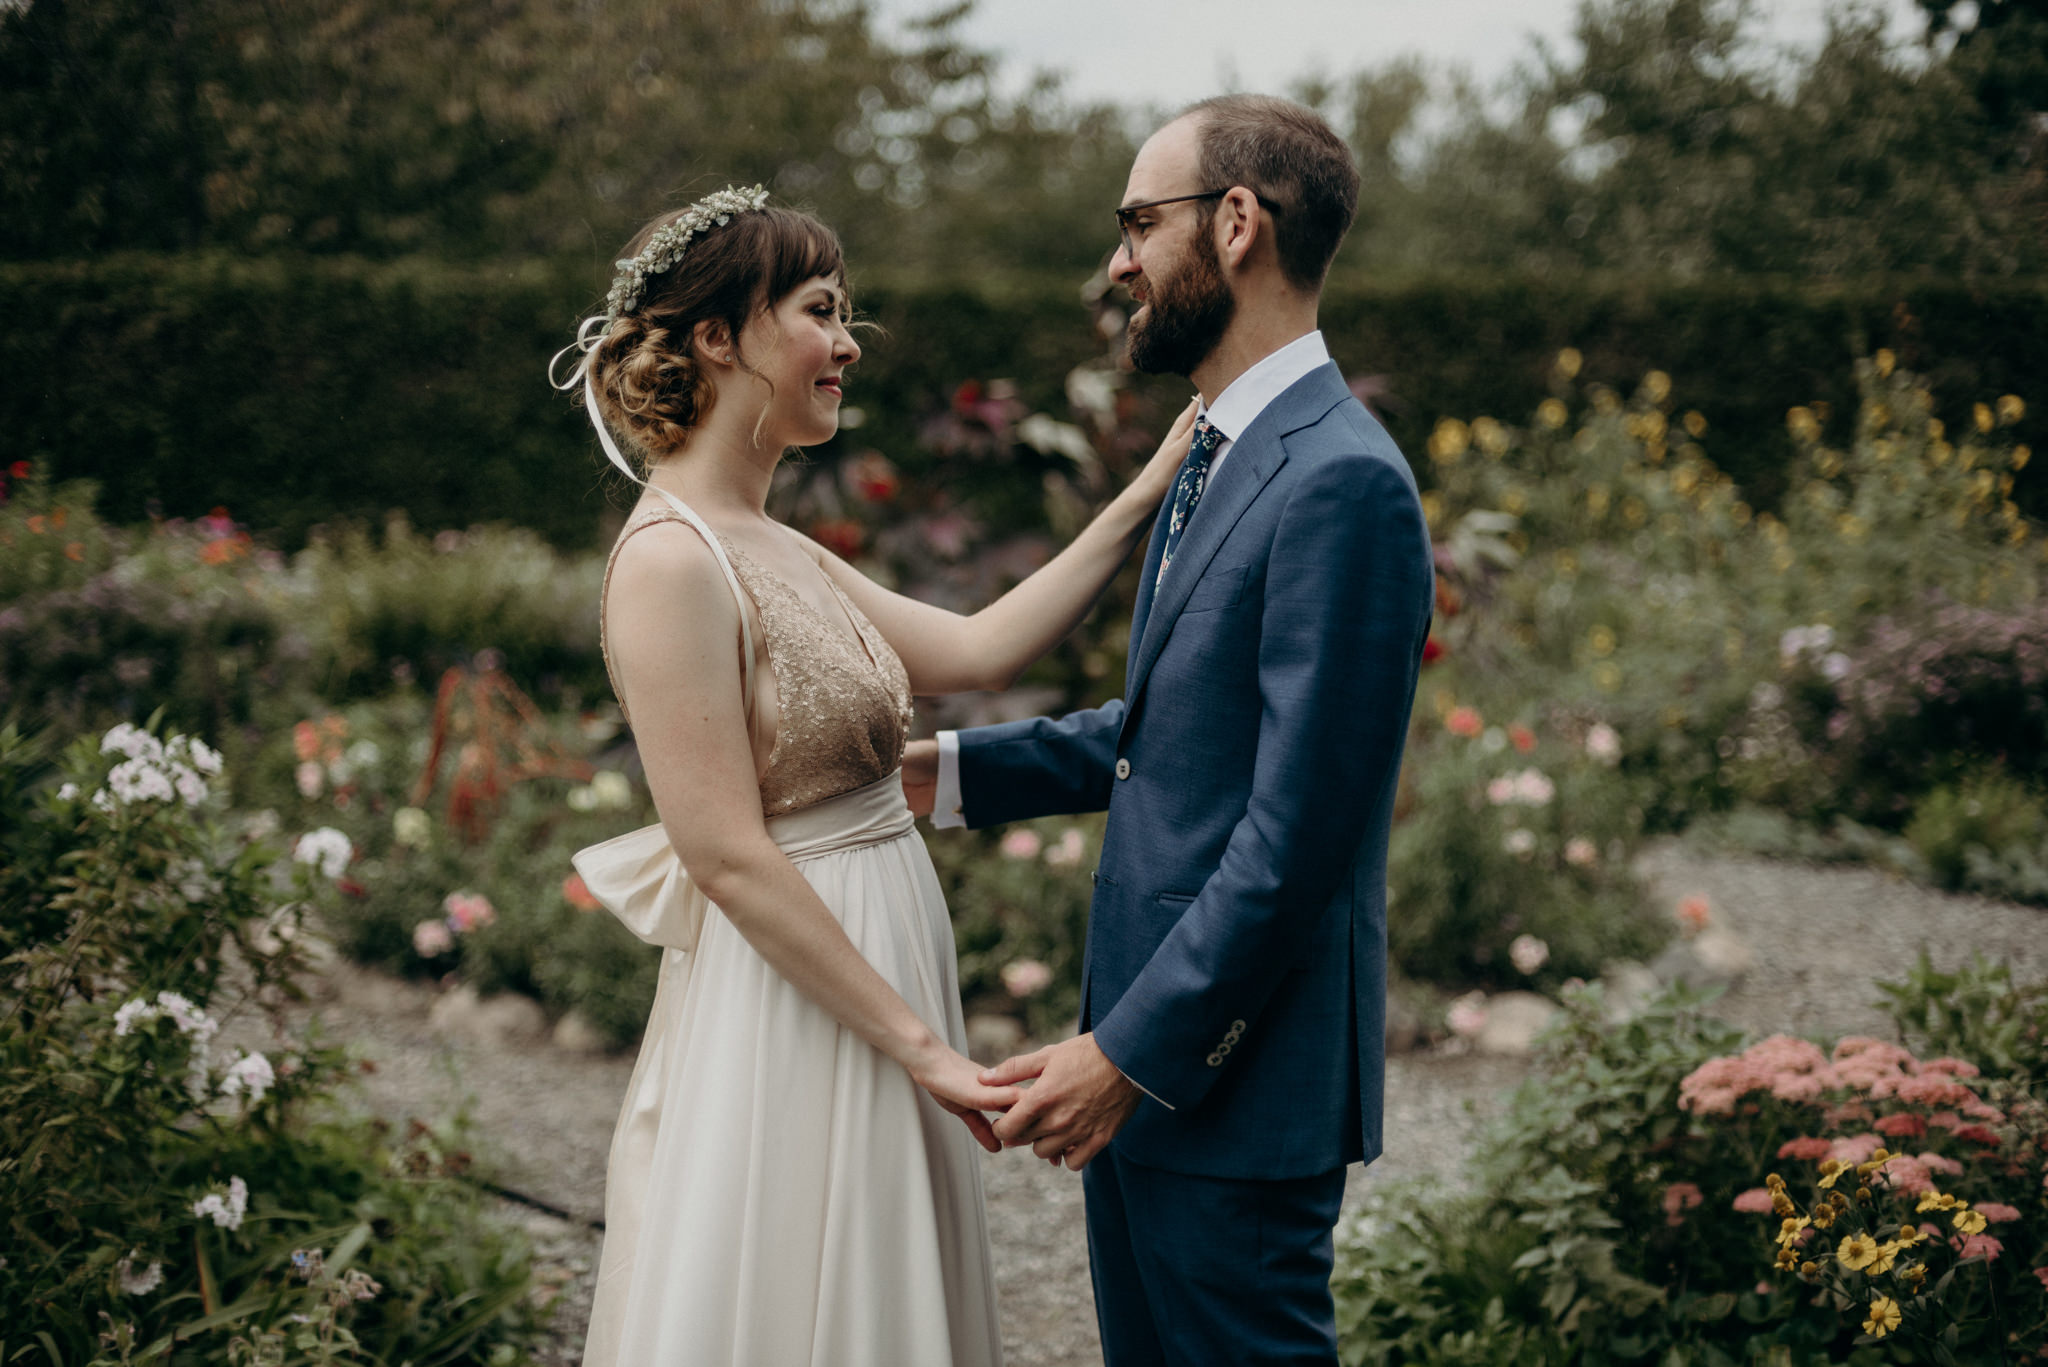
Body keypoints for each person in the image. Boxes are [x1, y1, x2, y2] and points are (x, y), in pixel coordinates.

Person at [551, 186, 1196, 1367]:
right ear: (715, 337)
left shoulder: (774, 541)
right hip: (799, 997)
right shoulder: (669, 562)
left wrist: (1151, 487)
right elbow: (725, 851)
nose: (848, 343)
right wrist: (921, 1047)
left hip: (881, 951)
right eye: (818, 311)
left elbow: (981, 647)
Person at [903, 95, 1436, 1366]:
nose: (1117, 262)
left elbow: (1298, 830)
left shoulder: (1340, 479)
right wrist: (946, 773)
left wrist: (1129, 1055)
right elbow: (1167, 733)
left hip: (1228, 1080)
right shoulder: (1221, 453)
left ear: (1237, 223)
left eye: (1139, 222)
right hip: (1154, 1079)